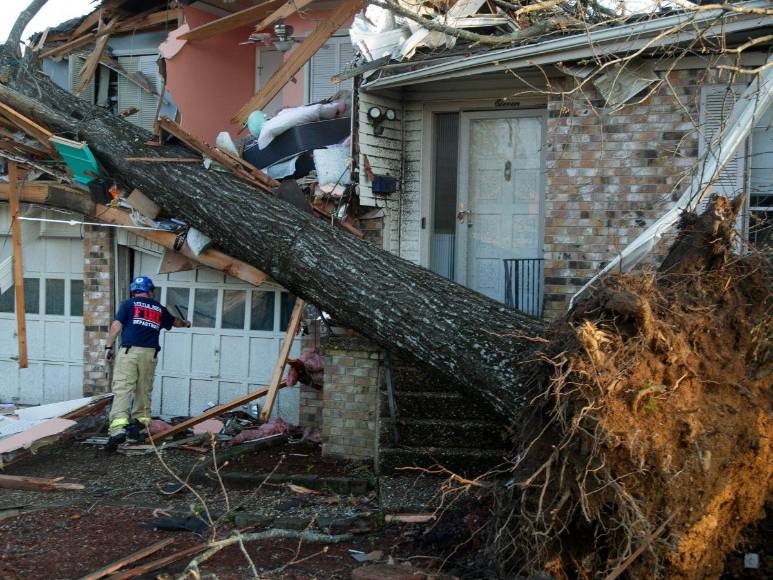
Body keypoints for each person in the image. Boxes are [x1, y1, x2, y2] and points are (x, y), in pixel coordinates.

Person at [105, 276, 190, 450]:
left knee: (123, 388)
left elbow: (116, 325)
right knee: (143, 390)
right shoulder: (159, 308)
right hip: (150, 354)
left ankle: (118, 430)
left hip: (129, 352)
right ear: (150, 291)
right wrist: (186, 323)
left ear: (133, 291)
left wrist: (108, 346)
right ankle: (140, 428)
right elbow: (176, 322)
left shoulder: (128, 304)